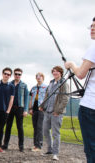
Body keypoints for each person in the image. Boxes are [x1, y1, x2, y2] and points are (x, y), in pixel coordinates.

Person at [64, 17, 95, 163]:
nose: (92, 29)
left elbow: (81, 74)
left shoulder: (93, 47)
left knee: (91, 148)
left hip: (90, 106)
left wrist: (71, 64)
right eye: (91, 26)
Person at [39, 66, 69, 161]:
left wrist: (58, 111)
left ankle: (55, 153)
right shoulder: (51, 83)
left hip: (56, 113)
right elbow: (47, 95)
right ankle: (49, 150)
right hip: (47, 111)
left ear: (61, 72)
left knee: (55, 133)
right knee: (45, 130)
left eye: (56, 71)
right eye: (53, 71)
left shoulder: (64, 83)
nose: (55, 73)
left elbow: (65, 99)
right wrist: (42, 105)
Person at [2, 68, 29, 152]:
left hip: (19, 108)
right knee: (8, 127)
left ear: (21, 75)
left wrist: (25, 110)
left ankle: (21, 146)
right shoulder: (9, 84)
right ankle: (5, 144)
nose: (17, 75)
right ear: (14, 74)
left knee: (20, 127)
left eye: (19, 74)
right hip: (10, 108)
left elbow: (26, 98)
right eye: (16, 74)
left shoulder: (24, 85)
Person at [29, 72, 47, 152]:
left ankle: (39, 145)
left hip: (41, 110)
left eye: (40, 76)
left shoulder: (46, 87)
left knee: (40, 127)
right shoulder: (33, 88)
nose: (38, 77)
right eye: (37, 76)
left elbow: (48, 98)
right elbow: (31, 98)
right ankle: (35, 144)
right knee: (35, 127)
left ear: (43, 77)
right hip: (34, 109)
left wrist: (44, 107)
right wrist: (30, 108)